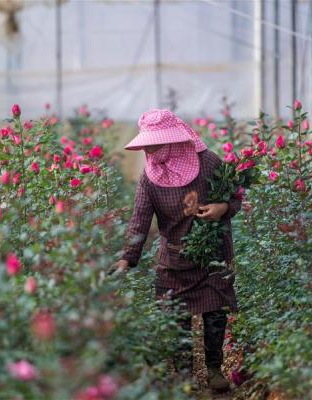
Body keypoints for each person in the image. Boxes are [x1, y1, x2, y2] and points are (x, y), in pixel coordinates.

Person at [109, 109, 240, 393]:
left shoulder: (208, 163)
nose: (149, 150)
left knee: (214, 313)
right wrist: (126, 258)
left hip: (211, 255)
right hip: (174, 258)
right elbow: (140, 219)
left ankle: (215, 369)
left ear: (172, 141)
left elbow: (234, 197)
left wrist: (222, 208)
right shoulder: (150, 177)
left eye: (155, 143)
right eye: (147, 144)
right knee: (175, 318)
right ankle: (185, 375)